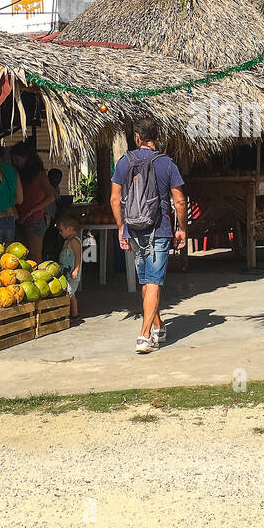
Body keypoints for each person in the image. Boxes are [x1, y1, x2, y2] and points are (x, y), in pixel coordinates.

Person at [110, 117, 186, 355]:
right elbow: (180, 200)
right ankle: (144, 336)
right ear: (157, 137)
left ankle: (158, 326)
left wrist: (122, 227)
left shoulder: (124, 162)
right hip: (159, 229)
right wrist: (181, 227)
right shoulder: (167, 164)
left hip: (134, 229)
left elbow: (114, 199)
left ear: (136, 138)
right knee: (152, 281)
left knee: (145, 280)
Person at [15, 152, 55, 264]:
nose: (15, 163)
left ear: (26, 158)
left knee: (34, 254)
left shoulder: (40, 174)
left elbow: (51, 196)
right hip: (21, 218)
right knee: (22, 254)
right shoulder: (20, 175)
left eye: (17, 160)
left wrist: (33, 210)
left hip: (35, 219)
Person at [56, 212, 83, 321]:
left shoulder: (74, 242)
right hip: (66, 272)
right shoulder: (68, 241)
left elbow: (78, 256)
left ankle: (74, 314)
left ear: (70, 229)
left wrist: (76, 269)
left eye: (61, 230)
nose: (60, 232)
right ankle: (72, 313)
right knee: (69, 293)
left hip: (72, 273)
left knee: (70, 293)